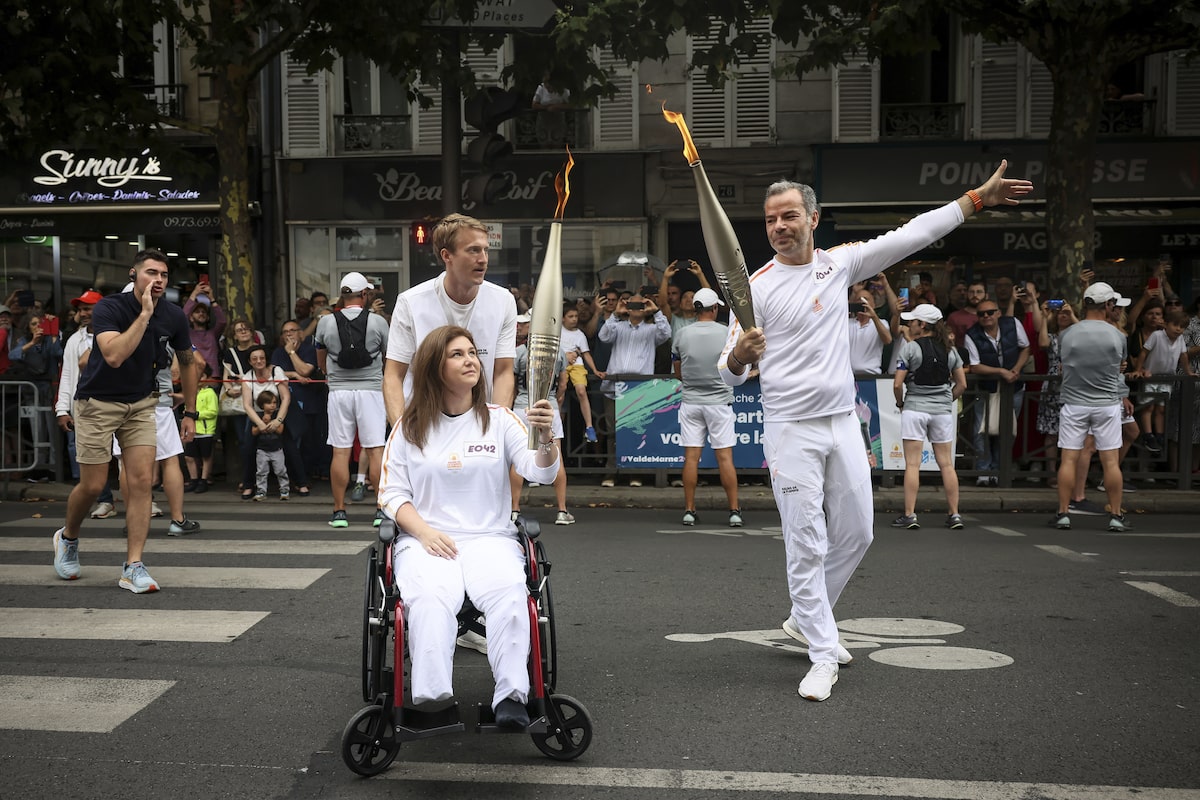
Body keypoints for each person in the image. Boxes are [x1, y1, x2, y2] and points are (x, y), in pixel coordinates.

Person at [719, 162, 1033, 702]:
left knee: (859, 532)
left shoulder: (840, 265)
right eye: (771, 219)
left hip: (842, 422)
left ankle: (803, 618)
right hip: (790, 429)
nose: (779, 226)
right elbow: (729, 372)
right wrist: (739, 357)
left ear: (813, 219)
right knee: (806, 543)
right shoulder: (755, 288)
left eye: (789, 215)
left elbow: (913, 234)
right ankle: (821, 652)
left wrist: (976, 201)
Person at [377, 325, 560, 730]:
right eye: (457, 354)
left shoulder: (499, 420)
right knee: (428, 598)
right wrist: (423, 532)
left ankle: (512, 696)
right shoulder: (408, 426)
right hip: (426, 540)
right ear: (433, 367)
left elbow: (540, 472)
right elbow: (391, 494)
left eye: (473, 353)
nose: (471, 360)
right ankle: (432, 695)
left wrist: (545, 435)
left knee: (511, 596)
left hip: (490, 538)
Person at [51, 249, 197, 593]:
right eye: (151, 272)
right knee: (92, 485)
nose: (158, 280)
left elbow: (189, 362)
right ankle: (68, 537)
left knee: (142, 481)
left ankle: (133, 565)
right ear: (134, 274)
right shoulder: (110, 308)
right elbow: (114, 355)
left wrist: (190, 412)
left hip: (142, 404)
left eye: (163, 274)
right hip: (97, 403)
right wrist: (145, 315)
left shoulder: (174, 316)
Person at [384, 213, 516, 427]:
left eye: (485, 250)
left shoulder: (503, 301)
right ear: (447, 256)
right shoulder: (411, 302)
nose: (483, 259)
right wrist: (401, 433)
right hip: (424, 424)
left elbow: (502, 372)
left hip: (480, 425)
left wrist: (498, 430)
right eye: (473, 250)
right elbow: (393, 376)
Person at [1052, 283, 1135, 532]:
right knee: (1110, 462)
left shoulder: (1067, 334)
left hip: (1074, 403)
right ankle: (1116, 515)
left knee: (1068, 458)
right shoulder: (1118, 336)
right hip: (1107, 404)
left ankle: (1063, 513)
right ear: (1108, 305)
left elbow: (1063, 366)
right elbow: (1120, 366)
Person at [316, 272, 391, 528]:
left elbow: (320, 360)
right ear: (365, 294)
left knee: (340, 451)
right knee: (375, 449)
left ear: (342, 295)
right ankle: (381, 509)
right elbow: (389, 359)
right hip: (371, 391)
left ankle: (339, 511)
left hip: (339, 392)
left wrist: (331, 375)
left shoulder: (325, 323)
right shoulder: (378, 322)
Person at [890, 304, 967, 530]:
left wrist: (900, 402)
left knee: (912, 464)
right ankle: (954, 514)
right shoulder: (950, 350)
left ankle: (910, 514)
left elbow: (897, 384)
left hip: (914, 407)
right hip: (942, 412)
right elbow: (962, 384)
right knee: (946, 465)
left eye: (913, 321)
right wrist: (946, 400)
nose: (910, 324)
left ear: (922, 324)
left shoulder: (910, 348)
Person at [672, 288, 742, 527]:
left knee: (691, 458)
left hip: (691, 401)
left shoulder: (682, 333)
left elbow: (678, 370)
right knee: (725, 458)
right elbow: (735, 365)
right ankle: (734, 510)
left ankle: (689, 510)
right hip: (720, 402)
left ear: (695, 308)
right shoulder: (726, 332)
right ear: (714, 309)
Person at [597, 291, 672, 487]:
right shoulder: (618, 327)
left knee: (636, 431)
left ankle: (634, 473)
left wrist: (655, 311)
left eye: (641, 305)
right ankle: (611, 473)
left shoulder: (652, 329)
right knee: (612, 432)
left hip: (638, 388)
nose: (636, 308)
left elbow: (666, 333)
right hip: (614, 386)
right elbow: (603, 336)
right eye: (632, 305)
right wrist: (616, 312)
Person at [511, 311, 574, 525]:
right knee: (555, 456)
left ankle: (515, 510)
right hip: (550, 408)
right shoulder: (558, 352)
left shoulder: (519, 352)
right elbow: (563, 383)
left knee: (517, 458)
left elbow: (512, 385)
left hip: (522, 407)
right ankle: (562, 510)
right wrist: (554, 402)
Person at [965, 298, 1031, 485]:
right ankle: (983, 472)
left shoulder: (1013, 324)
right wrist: (1001, 372)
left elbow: (1026, 348)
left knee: (1007, 430)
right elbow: (975, 366)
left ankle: (998, 469)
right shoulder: (972, 334)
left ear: (998, 313)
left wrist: (1016, 369)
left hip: (1014, 387)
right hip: (987, 388)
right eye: (981, 314)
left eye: (990, 312)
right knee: (981, 430)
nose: (986, 316)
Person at [238, 345, 310, 500]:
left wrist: (278, 420)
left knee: (290, 448)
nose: (259, 361)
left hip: (280, 412)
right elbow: (247, 405)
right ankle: (249, 485)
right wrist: (260, 424)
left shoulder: (276, 371)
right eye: (255, 359)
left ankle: (301, 482)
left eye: (262, 358)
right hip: (258, 415)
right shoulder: (247, 376)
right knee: (248, 448)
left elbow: (286, 398)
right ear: (250, 361)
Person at [55, 290, 106, 488]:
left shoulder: (116, 334)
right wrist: (62, 409)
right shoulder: (74, 340)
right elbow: (67, 375)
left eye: (88, 309)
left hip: (115, 402)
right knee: (87, 453)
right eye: (80, 310)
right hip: (85, 405)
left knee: (120, 453)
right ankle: (103, 498)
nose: (83, 313)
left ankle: (137, 499)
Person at [1132, 307, 1195, 454]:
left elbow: (1184, 356)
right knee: (1148, 406)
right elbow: (1144, 352)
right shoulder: (1157, 335)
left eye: (1182, 327)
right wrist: (1138, 369)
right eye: (1175, 325)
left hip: (1167, 379)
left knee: (1161, 408)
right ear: (1166, 324)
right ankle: (1148, 435)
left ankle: (1159, 435)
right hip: (1151, 375)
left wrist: (1188, 372)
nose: (1178, 329)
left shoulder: (1179, 339)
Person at [557, 303, 603, 443]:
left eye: (576, 316)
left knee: (581, 391)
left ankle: (589, 427)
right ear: (563, 318)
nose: (574, 319)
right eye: (570, 316)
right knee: (561, 392)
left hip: (577, 365)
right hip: (561, 364)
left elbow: (586, 354)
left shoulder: (580, 334)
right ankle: (555, 425)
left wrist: (595, 370)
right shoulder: (557, 331)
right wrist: (565, 355)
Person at [184, 353, 220, 493]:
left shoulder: (210, 392)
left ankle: (204, 480)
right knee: (189, 456)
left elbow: (213, 412)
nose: (198, 379)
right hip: (192, 430)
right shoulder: (191, 392)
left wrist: (196, 415)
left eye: (202, 376)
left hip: (205, 430)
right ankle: (194, 480)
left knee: (206, 456)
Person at [251, 390, 290, 500]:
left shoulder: (278, 415)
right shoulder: (257, 415)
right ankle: (261, 491)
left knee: (280, 470)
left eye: (274, 402)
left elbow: (280, 430)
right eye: (269, 403)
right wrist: (261, 424)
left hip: (277, 449)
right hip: (262, 449)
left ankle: (284, 489)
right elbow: (253, 432)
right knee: (261, 471)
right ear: (262, 404)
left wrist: (271, 422)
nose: (272, 405)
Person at [182, 279, 226, 372]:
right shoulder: (187, 333)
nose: (201, 314)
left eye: (204, 312)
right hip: (193, 376)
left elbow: (222, 321)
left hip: (212, 378)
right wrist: (194, 293)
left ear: (208, 318)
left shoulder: (213, 334)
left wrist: (212, 299)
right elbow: (181, 319)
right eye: (197, 312)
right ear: (191, 318)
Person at [532, 72, 571, 147]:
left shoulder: (562, 90)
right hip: (543, 121)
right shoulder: (541, 88)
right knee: (544, 142)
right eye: (546, 83)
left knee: (557, 141)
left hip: (558, 120)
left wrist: (557, 106)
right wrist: (546, 108)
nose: (548, 86)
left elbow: (571, 104)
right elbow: (534, 105)